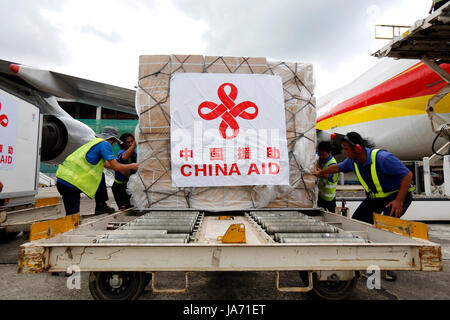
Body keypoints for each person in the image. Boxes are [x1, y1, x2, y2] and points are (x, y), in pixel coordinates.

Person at [313, 132, 415, 281]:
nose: (344, 152)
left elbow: (408, 175)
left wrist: (399, 200)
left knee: (386, 228)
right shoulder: (353, 161)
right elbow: (336, 168)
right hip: (376, 198)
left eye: (346, 149)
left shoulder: (382, 158)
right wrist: (320, 172)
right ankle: (363, 256)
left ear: (358, 148)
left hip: (396, 197)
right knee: (357, 222)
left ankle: (389, 267)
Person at [55, 126, 139, 216]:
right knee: (72, 218)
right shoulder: (105, 144)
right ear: (112, 139)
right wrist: (132, 166)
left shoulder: (93, 143)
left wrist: (123, 168)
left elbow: (109, 165)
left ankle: (101, 205)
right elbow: (116, 166)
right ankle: (100, 205)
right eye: (114, 142)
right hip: (70, 182)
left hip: (64, 179)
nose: (113, 145)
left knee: (100, 175)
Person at [112, 132, 137, 210]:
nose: (130, 144)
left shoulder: (134, 154)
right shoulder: (121, 153)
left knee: (128, 208)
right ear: (123, 144)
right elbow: (124, 158)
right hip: (118, 187)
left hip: (127, 186)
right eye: (128, 142)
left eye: (132, 141)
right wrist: (134, 144)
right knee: (123, 209)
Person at [316, 141, 338, 213]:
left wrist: (318, 171)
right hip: (320, 195)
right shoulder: (320, 158)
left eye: (323, 155)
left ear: (329, 153)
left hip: (329, 197)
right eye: (320, 154)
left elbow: (327, 175)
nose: (321, 157)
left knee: (332, 216)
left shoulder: (332, 163)